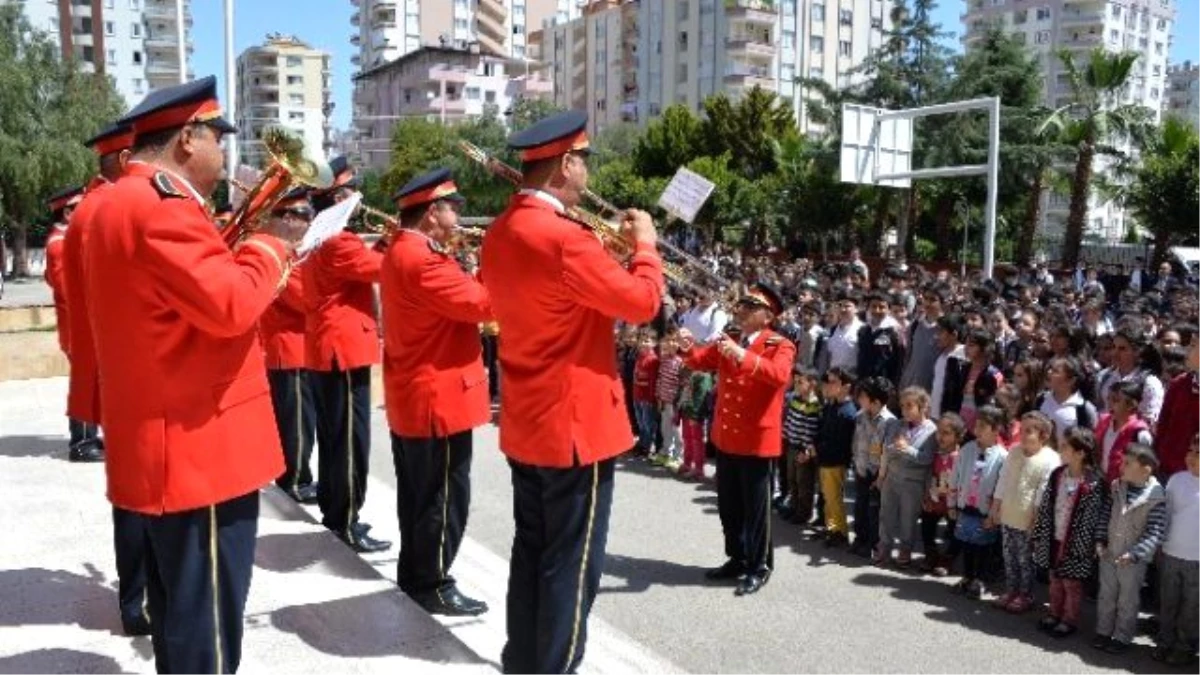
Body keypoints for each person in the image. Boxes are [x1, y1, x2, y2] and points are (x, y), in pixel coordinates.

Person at [84, 76, 302, 672]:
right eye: (217, 139)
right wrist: (271, 245)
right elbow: (231, 305)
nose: (224, 154)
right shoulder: (163, 208)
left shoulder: (115, 201)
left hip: (164, 441)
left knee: (182, 617)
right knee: (204, 630)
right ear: (187, 139)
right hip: (198, 451)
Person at [480, 110, 663, 674]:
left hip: (529, 419)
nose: (586, 172)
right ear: (565, 163)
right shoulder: (565, 238)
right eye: (583, 160)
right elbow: (643, 303)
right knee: (572, 564)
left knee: (531, 550)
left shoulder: (501, 231)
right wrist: (646, 246)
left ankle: (524, 660)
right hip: (576, 425)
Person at [382, 168, 492, 616]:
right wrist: (500, 263)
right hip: (438, 398)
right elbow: (484, 304)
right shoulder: (425, 259)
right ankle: (433, 583)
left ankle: (416, 575)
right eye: (453, 208)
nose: (459, 216)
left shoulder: (404, 251)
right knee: (443, 499)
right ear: (432, 213)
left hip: (418, 394)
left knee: (419, 496)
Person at [64, 120, 150, 636]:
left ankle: (138, 594)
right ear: (122, 159)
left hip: (121, 366)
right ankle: (137, 600)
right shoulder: (107, 208)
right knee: (138, 496)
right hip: (131, 369)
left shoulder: (98, 206)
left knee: (136, 494)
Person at [682, 281, 796, 595]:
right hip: (727, 437)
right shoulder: (730, 338)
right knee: (729, 507)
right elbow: (698, 361)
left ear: (767, 315)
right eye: (741, 305)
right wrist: (686, 345)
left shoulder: (780, 344)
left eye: (750, 306)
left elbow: (779, 376)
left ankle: (759, 566)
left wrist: (743, 355)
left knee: (755, 511)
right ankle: (737, 558)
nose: (741, 311)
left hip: (756, 442)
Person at [302, 155, 391, 553]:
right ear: (338, 195)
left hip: (331, 348)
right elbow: (385, 269)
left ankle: (337, 511)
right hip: (343, 349)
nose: (358, 195)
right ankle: (345, 519)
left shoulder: (321, 236)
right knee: (350, 442)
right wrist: (402, 238)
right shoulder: (339, 240)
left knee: (336, 438)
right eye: (352, 188)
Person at [260, 189, 319, 504]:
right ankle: (294, 480)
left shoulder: (294, 255)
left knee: (301, 420)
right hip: (289, 348)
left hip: (298, 347)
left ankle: (297, 475)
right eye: (304, 215)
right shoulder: (283, 257)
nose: (310, 221)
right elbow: (304, 300)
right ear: (286, 218)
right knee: (296, 423)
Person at [43, 184, 100, 462]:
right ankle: (81, 443)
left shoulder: (67, 241)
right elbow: (68, 291)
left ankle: (90, 435)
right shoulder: (60, 245)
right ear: (67, 213)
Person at [1031, 427, 1105, 639]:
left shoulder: (1093, 483)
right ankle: (1054, 613)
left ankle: (1069, 619)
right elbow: (1046, 505)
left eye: (1065, 446)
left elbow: (1091, 519)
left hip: (1075, 545)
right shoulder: (1058, 475)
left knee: (1071, 583)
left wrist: (1082, 546)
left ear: (1080, 453)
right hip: (1054, 537)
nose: (1060, 449)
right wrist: (1039, 533)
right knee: (1055, 579)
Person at [1093, 444, 1167, 654]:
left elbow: (1155, 532)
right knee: (1106, 595)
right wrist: (1100, 540)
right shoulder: (1117, 487)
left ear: (1146, 470)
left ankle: (1122, 637)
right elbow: (1105, 515)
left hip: (1132, 560)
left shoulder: (1155, 498)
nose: (1121, 466)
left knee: (1128, 600)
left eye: (1127, 463)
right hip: (1109, 553)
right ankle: (1103, 631)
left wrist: (1135, 554)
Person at [989, 411, 1062, 614]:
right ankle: (1011, 590)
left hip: (1027, 519)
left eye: (1029, 431)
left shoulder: (1050, 459)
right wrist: (995, 507)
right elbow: (1003, 480)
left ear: (1044, 435)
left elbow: (1043, 493)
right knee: (1009, 556)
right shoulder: (1013, 452)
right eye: (1022, 429)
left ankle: (1026, 594)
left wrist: (1036, 521)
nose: (1022, 434)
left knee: (1025, 559)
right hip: (1008, 514)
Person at [949, 406, 1007, 599]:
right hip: (966, 507)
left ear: (996, 429)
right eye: (977, 425)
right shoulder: (967, 450)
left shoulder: (1002, 457)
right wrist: (951, 503)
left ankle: (979, 579)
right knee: (966, 543)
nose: (977, 429)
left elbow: (1002, 487)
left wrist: (994, 515)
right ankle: (967, 576)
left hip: (985, 511)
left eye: (983, 426)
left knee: (983, 546)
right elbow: (955, 477)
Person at [877, 387, 938, 567]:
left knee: (908, 518)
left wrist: (907, 449)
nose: (905, 410)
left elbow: (927, 459)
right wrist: (881, 476)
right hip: (892, 477)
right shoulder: (897, 424)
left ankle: (905, 549)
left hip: (913, 482)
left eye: (910, 406)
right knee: (886, 514)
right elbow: (887, 450)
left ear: (923, 406)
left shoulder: (932, 431)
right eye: (902, 406)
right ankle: (884, 546)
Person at [1154, 432, 1200, 665]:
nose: (1191, 457)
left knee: (1192, 605)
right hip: (1171, 551)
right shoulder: (1177, 480)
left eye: (1198, 453)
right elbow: (1165, 514)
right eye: (1190, 451)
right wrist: (1159, 543)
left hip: (1196, 558)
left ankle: (1185, 646)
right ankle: (1165, 640)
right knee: (1168, 600)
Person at [849, 376, 899, 558]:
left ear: (876, 401)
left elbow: (889, 451)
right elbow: (856, 441)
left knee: (874, 512)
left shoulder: (890, 422)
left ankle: (872, 544)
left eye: (862, 397)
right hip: (861, 470)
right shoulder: (860, 416)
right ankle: (859, 538)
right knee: (859, 508)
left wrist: (880, 476)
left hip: (878, 475)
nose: (859, 400)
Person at [814, 367, 856, 545]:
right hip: (824, 460)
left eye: (833, 382)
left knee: (834, 499)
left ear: (846, 387)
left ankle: (841, 532)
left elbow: (840, 443)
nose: (828, 385)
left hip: (835, 462)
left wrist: (819, 449)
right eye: (827, 381)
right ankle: (831, 528)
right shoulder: (831, 405)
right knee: (827, 498)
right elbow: (822, 431)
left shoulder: (847, 412)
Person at [920, 412, 963, 576]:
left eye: (946, 433)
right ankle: (931, 554)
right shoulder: (935, 455)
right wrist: (928, 497)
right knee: (927, 523)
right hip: (936, 499)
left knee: (954, 530)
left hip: (953, 502)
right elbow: (931, 476)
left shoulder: (960, 457)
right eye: (939, 432)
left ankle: (948, 559)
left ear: (957, 436)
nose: (940, 437)